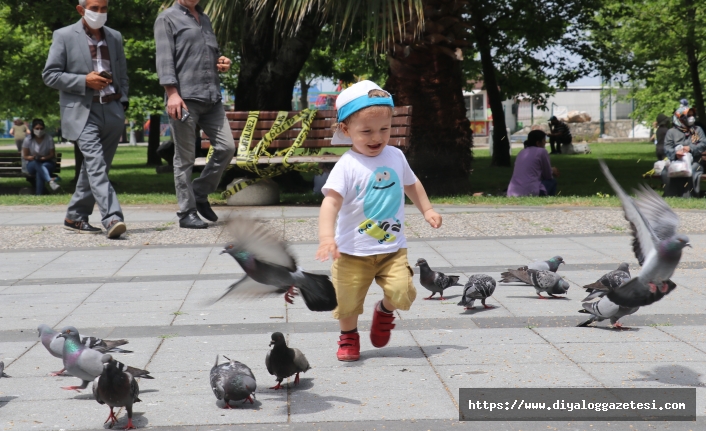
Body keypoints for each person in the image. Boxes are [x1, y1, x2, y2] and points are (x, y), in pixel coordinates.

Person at [315, 80, 442, 362]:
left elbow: (412, 184)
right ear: (346, 130)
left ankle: (384, 311)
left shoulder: (395, 155)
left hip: (392, 249)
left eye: (384, 129)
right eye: (367, 131)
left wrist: (427, 209)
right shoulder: (347, 165)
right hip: (352, 252)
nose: (377, 137)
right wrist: (327, 237)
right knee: (346, 301)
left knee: (403, 293)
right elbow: (330, 203)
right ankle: (348, 336)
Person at [42, 0, 128, 238]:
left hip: (112, 109)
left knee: (94, 169)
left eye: (104, 8)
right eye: (94, 8)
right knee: (96, 165)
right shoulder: (64, 35)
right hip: (82, 111)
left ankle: (75, 216)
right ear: (81, 9)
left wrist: (123, 104)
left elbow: (122, 72)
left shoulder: (115, 37)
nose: (100, 13)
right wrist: (83, 81)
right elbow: (50, 75)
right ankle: (112, 218)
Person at [154, 0, 236, 229]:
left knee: (227, 147)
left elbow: (208, 54)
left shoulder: (205, 18)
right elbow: (164, 58)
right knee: (185, 158)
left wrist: (223, 62)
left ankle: (199, 192)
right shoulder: (167, 18)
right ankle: (186, 212)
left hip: (212, 97)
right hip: (184, 98)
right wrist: (171, 93)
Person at [661, 102, 706, 197]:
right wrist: (676, 153)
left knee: (692, 169)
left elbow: (703, 144)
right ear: (681, 118)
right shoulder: (671, 132)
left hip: (695, 161)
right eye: (688, 116)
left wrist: (690, 148)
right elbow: (667, 147)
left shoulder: (697, 130)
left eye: (692, 115)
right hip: (675, 160)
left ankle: (689, 195)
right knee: (666, 171)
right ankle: (671, 194)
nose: (692, 118)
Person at [506, 130, 559, 197]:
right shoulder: (542, 151)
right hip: (530, 191)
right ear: (538, 143)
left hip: (513, 192)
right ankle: (548, 199)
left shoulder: (522, 152)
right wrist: (552, 171)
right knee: (552, 181)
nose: (545, 142)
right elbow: (547, 175)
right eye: (544, 140)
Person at [22, 119, 60, 195]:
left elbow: (52, 154)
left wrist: (43, 158)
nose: (39, 130)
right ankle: (50, 181)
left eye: (41, 128)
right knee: (37, 163)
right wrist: (32, 157)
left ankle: (38, 195)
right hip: (32, 163)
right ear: (33, 129)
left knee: (40, 171)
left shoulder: (49, 138)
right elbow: (25, 156)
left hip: (47, 163)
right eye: (37, 128)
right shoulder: (28, 139)